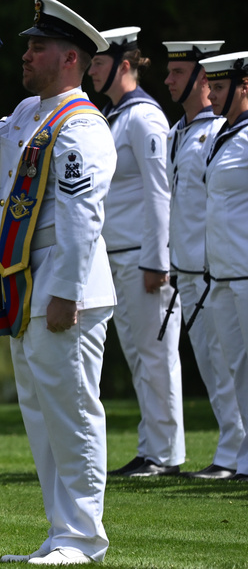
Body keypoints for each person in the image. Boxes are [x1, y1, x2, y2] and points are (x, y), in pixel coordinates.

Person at [0, 0, 116, 565]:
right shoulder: (25, 113)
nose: (25, 55)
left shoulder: (83, 126)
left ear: (70, 58)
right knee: (41, 414)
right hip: (23, 279)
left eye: (37, 47)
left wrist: (66, 293)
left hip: (61, 284)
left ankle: (81, 536)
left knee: (71, 410)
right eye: (27, 45)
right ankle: (59, 529)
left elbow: (82, 217)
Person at [87, 28, 184, 477]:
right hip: (117, 255)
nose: (91, 71)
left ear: (125, 64)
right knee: (138, 355)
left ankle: (163, 453)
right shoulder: (116, 116)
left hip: (140, 258)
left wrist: (157, 260)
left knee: (154, 354)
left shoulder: (144, 118)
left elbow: (160, 192)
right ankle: (153, 448)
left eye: (99, 63)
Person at [162, 40, 243, 479]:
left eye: (178, 73)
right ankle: (231, 449)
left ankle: (234, 454)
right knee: (214, 365)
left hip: (216, 267)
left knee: (228, 361)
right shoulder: (179, 132)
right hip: (190, 268)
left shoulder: (218, 131)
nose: (169, 80)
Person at [201, 51, 248, 482]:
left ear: (243, 88)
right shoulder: (223, 135)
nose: (210, 94)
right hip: (224, 273)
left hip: (246, 273)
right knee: (237, 368)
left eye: (217, 87)